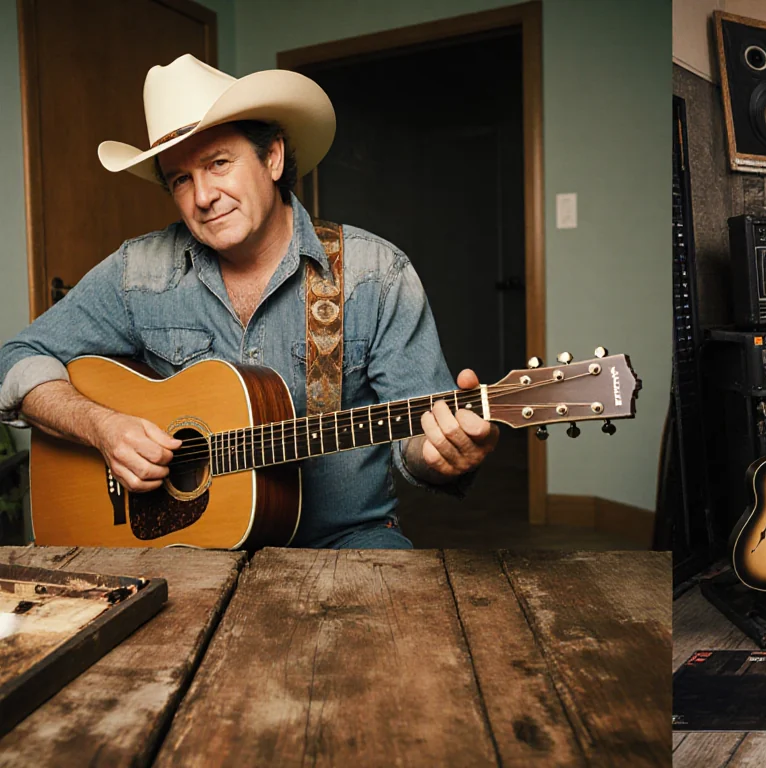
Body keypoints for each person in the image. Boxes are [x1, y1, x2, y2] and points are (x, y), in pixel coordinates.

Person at [0, 54, 497, 548]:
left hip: (344, 539)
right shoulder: (138, 274)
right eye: (180, 179)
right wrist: (102, 427)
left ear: (273, 157)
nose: (202, 196)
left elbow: (419, 440)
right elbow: (15, 362)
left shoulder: (377, 275)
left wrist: (439, 455)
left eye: (218, 163)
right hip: (183, 551)